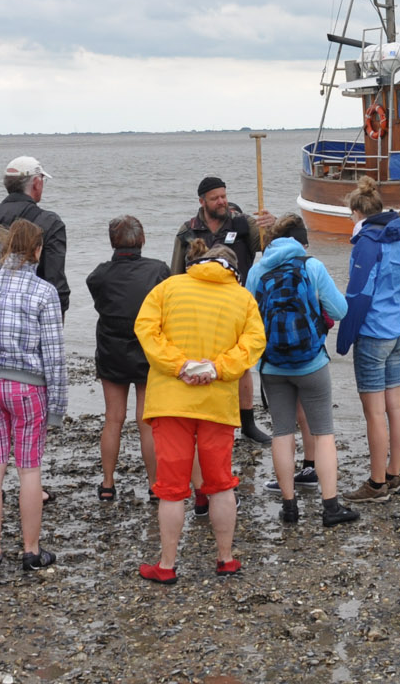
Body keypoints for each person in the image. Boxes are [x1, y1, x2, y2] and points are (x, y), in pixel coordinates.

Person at [132, 241, 266, 584]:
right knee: (220, 483)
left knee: (171, 488)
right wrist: (216, 369)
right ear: (234, 270)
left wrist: (180, 366)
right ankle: (225, 559)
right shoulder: (243, 299)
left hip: (170, 401)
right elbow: (253, 344)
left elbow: (146, 331)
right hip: (217, 402)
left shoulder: (168, 288)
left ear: (199, 262)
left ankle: (167, 565)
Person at [0, 218, 67, 574]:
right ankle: (30, 550)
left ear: (7, 249)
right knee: (29, 469)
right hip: (28, 387)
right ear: (36, 250)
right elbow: (53, 354)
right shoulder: (44, 292)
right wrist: (57, 406)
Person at [244, 215, 359, 527]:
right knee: (323, 434)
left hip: (272, 366)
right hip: (311, 364)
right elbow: (341, 310)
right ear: (300, 242)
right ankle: (331, 507)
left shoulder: (258, 270)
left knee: (282, 433)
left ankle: (289, 507)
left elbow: (248, 317)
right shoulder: (311, 266)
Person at [172, 176, 273, 446]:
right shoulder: (187, 231)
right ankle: (203, 417)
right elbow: (175, 275)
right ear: (202, 201)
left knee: (240, 366)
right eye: (215, 197)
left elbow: (270, 248)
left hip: (236, 306)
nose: (222, 202)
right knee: (202, 363)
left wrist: (271, 227)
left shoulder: (243, 224)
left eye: (224, 196)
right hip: (197, 310)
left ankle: (248, 424)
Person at [339, 179, 400, 503]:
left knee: (374, 413)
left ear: (357, 213)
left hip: (373, 333)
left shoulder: (367, 243)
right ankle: (395, 472)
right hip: (398, 329)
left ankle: (376, 482)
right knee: (395, 405)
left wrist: (344, 339)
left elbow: (358, 295)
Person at [86, 215, 169, 503]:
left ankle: (108, 483)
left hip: (112, 351)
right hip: (147, 352)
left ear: (112, 241)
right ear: (142, 239)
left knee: (113, 419)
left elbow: (100, 301)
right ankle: (155, 484)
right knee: (146, 421)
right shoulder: (158, 271)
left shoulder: (99, 274)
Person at [0, 157, 69, 315]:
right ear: (36, 183)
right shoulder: (49, 222)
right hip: (32, 316)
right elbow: (55, 278)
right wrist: (58, 315)